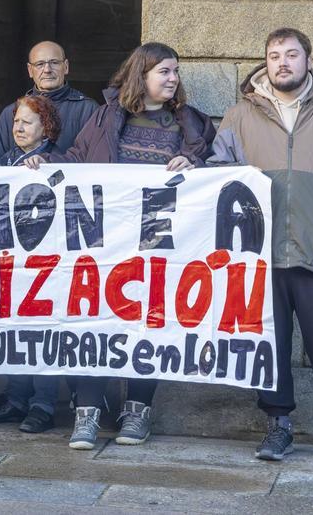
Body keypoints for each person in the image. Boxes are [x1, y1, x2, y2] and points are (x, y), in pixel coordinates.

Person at [209, 28, 313, 467]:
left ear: (308, 60)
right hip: (259, 257)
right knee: (268, 343)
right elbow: (218, 176)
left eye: (291, 54)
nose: (282, 62)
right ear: (265, 62)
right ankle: (278, 424)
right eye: (274, 55)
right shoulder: (239, 117)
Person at [53, 42, 216, 450]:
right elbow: (76, 160)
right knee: (95, 322)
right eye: (164, 71)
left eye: (176, 71)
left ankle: (137, 411)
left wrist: (195, 165)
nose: (173, 78)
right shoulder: (106, 116)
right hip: (105, 242)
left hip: (159, 244)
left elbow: (218, 172)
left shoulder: (191, 124)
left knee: (151, 324)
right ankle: (87, 412)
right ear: (140, 75)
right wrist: (42, 166)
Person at [0, 95, 64, 433]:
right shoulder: (3, 163)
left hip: (46, 266)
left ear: (47, 128)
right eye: (16, 121)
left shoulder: (59, 163)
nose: (19, 127)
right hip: (10, 263)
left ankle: (43, 404)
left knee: (44, 332)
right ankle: (16, 398)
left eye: (27, 122)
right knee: (15, 331)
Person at [0, 40, 98, 164]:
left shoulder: (88, 110)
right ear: (30, 70)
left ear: (66, 67)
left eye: (54, 63)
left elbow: (96, 160)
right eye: (40, 64)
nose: (47, 70)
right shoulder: (11, 112)